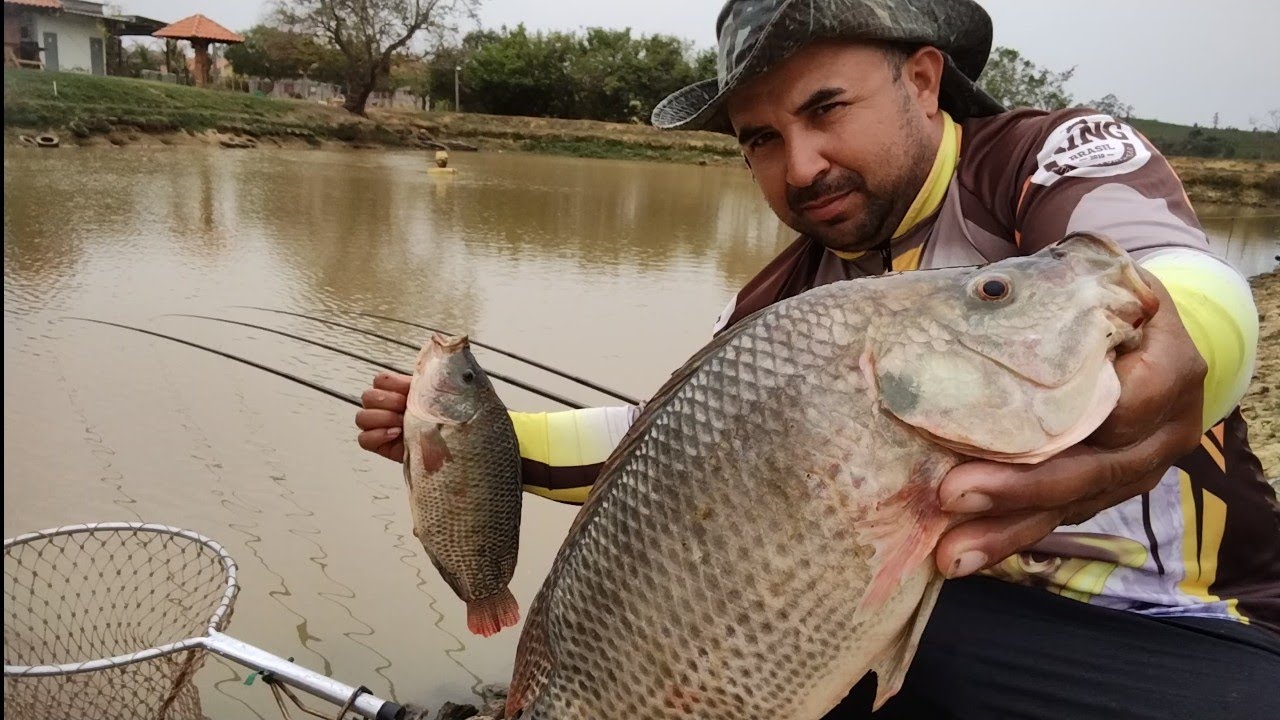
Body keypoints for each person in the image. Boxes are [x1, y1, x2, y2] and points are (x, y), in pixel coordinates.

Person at [357, 1, 1280, 716]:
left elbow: (1183, 284)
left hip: (1184, 627)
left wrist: (1176, 366)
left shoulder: (1039, 160)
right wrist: (477, 438)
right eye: (762, 139)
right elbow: (675, 461)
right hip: (923, 612)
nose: (801, 167)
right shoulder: (774, 303)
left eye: (826, 109)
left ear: (924, 80)